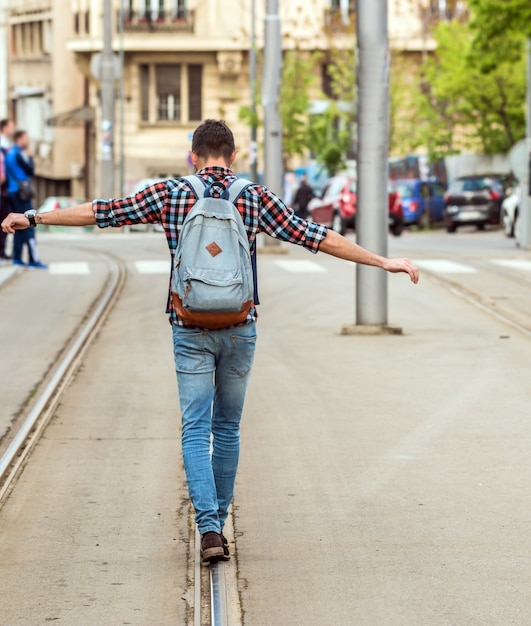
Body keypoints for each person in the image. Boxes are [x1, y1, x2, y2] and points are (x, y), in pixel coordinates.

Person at [1, 119, 419, 564]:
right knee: (228, 429)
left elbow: (102, 211)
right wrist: (383, 261)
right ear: (233, 156)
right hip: (240, 328)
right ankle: (217, 520)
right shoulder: (255, 196)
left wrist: (32, 217)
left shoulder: (170, 193)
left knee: (196, 429)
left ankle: (208, 530)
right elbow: (318, 237)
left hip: (190, 328)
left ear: (193, 156)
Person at [4, 130, 47, 269]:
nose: (28, 141)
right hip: (21, 192)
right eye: (26, 138)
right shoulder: (19, 153)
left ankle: (17, 257)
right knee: (30, 223)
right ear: (19, 139)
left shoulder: (9, 153)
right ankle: (33, 259)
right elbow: (30, 170)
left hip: (12, 192)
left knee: (18, 225)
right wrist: (30, 156)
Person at [0, 118, 15, 260]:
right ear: (5, 127)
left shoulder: (6, 144)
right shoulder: (3, 145)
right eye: (11, 126)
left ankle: (3, 250)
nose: (13, 128)